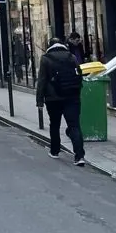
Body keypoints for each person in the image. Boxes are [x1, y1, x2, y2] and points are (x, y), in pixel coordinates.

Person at [36, 35, 85, 165]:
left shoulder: (45, 59)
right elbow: (79, 76)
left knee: (55, 124)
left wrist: (39, 100)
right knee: (74, 125)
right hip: (72, 97)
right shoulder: (72, 57)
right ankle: (79, 156)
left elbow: (42, 81)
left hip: (53, 98)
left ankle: (55, 151)